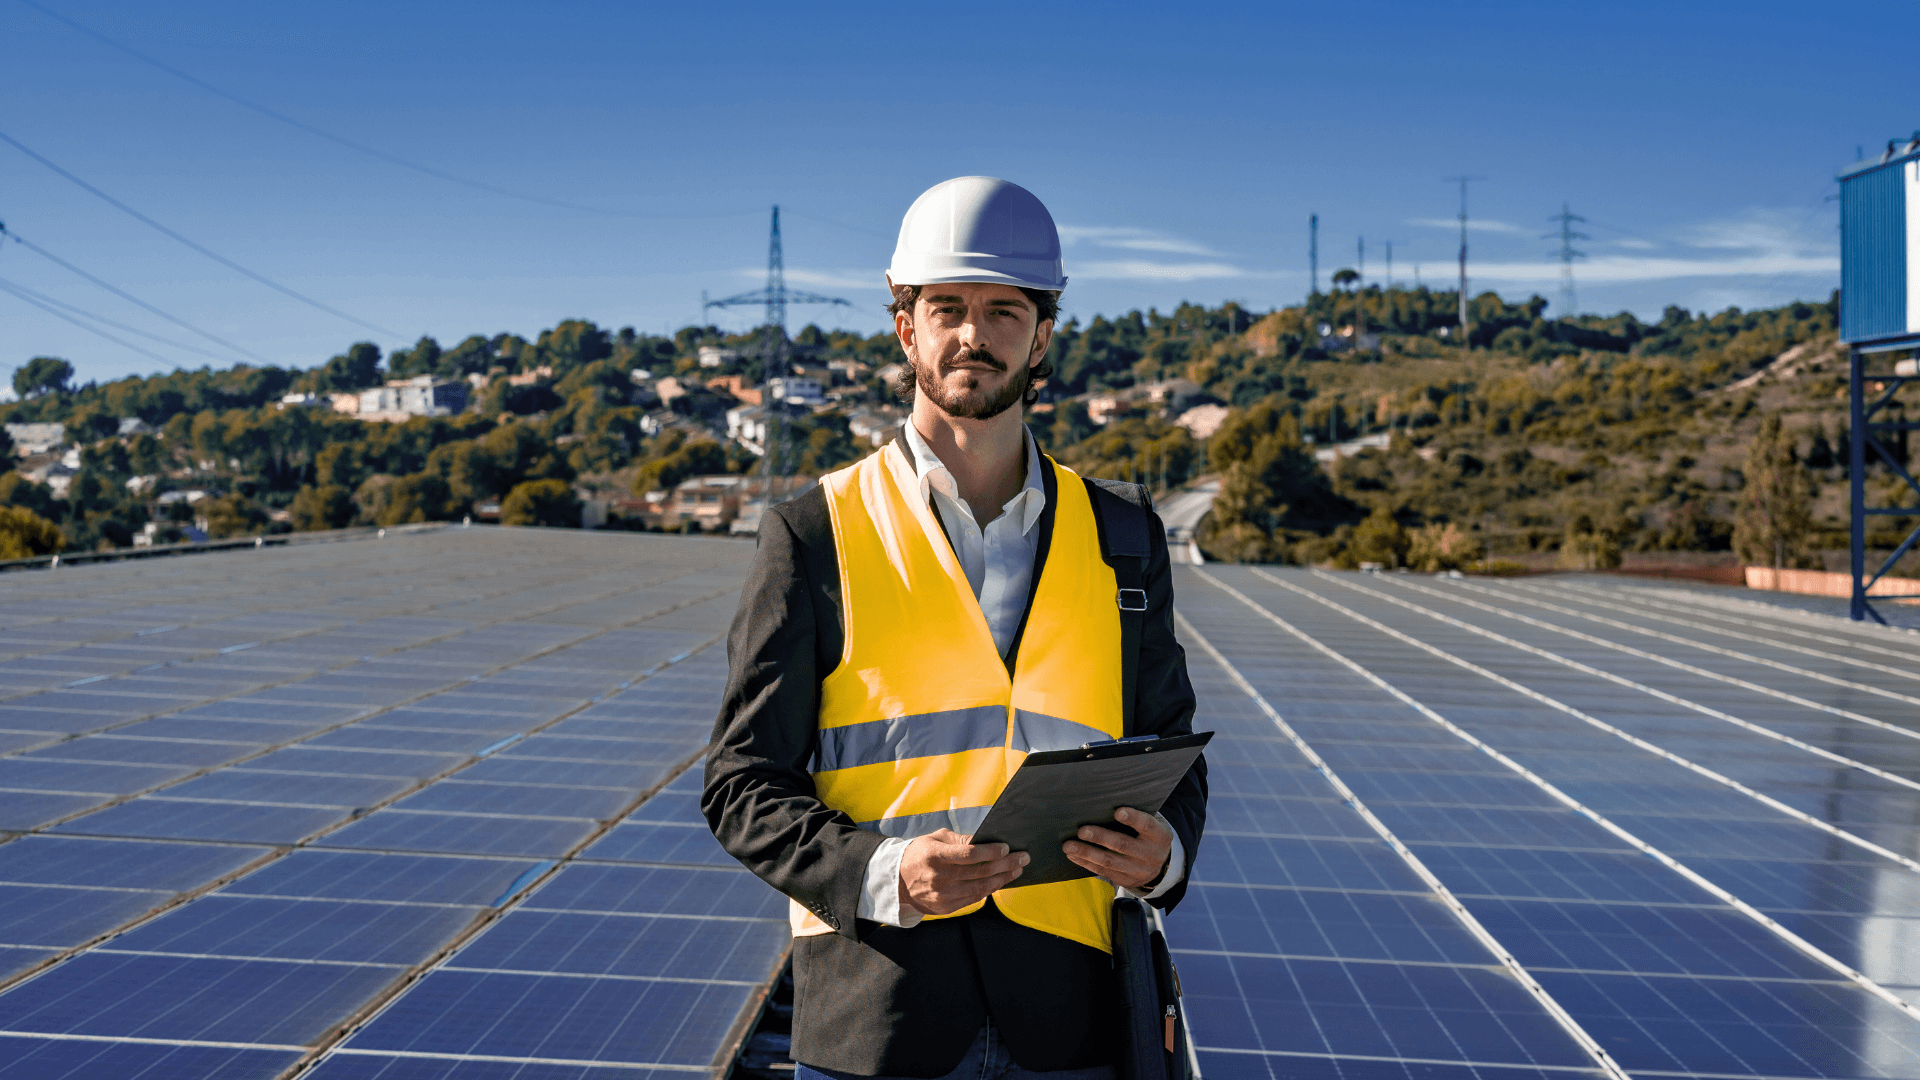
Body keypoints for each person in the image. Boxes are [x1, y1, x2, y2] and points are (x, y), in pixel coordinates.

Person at [704, 176, 1205, 1080]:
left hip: (1071, 1020)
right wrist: (883, 873)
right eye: (948, 308)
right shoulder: (814, 534)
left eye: (1004, 310)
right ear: (907, 327)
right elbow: (741, 785)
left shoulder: (1125, 535)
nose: (974, 334)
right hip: (880, 1014)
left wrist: (1164, 857)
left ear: (1043, 332)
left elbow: (1175, 750)